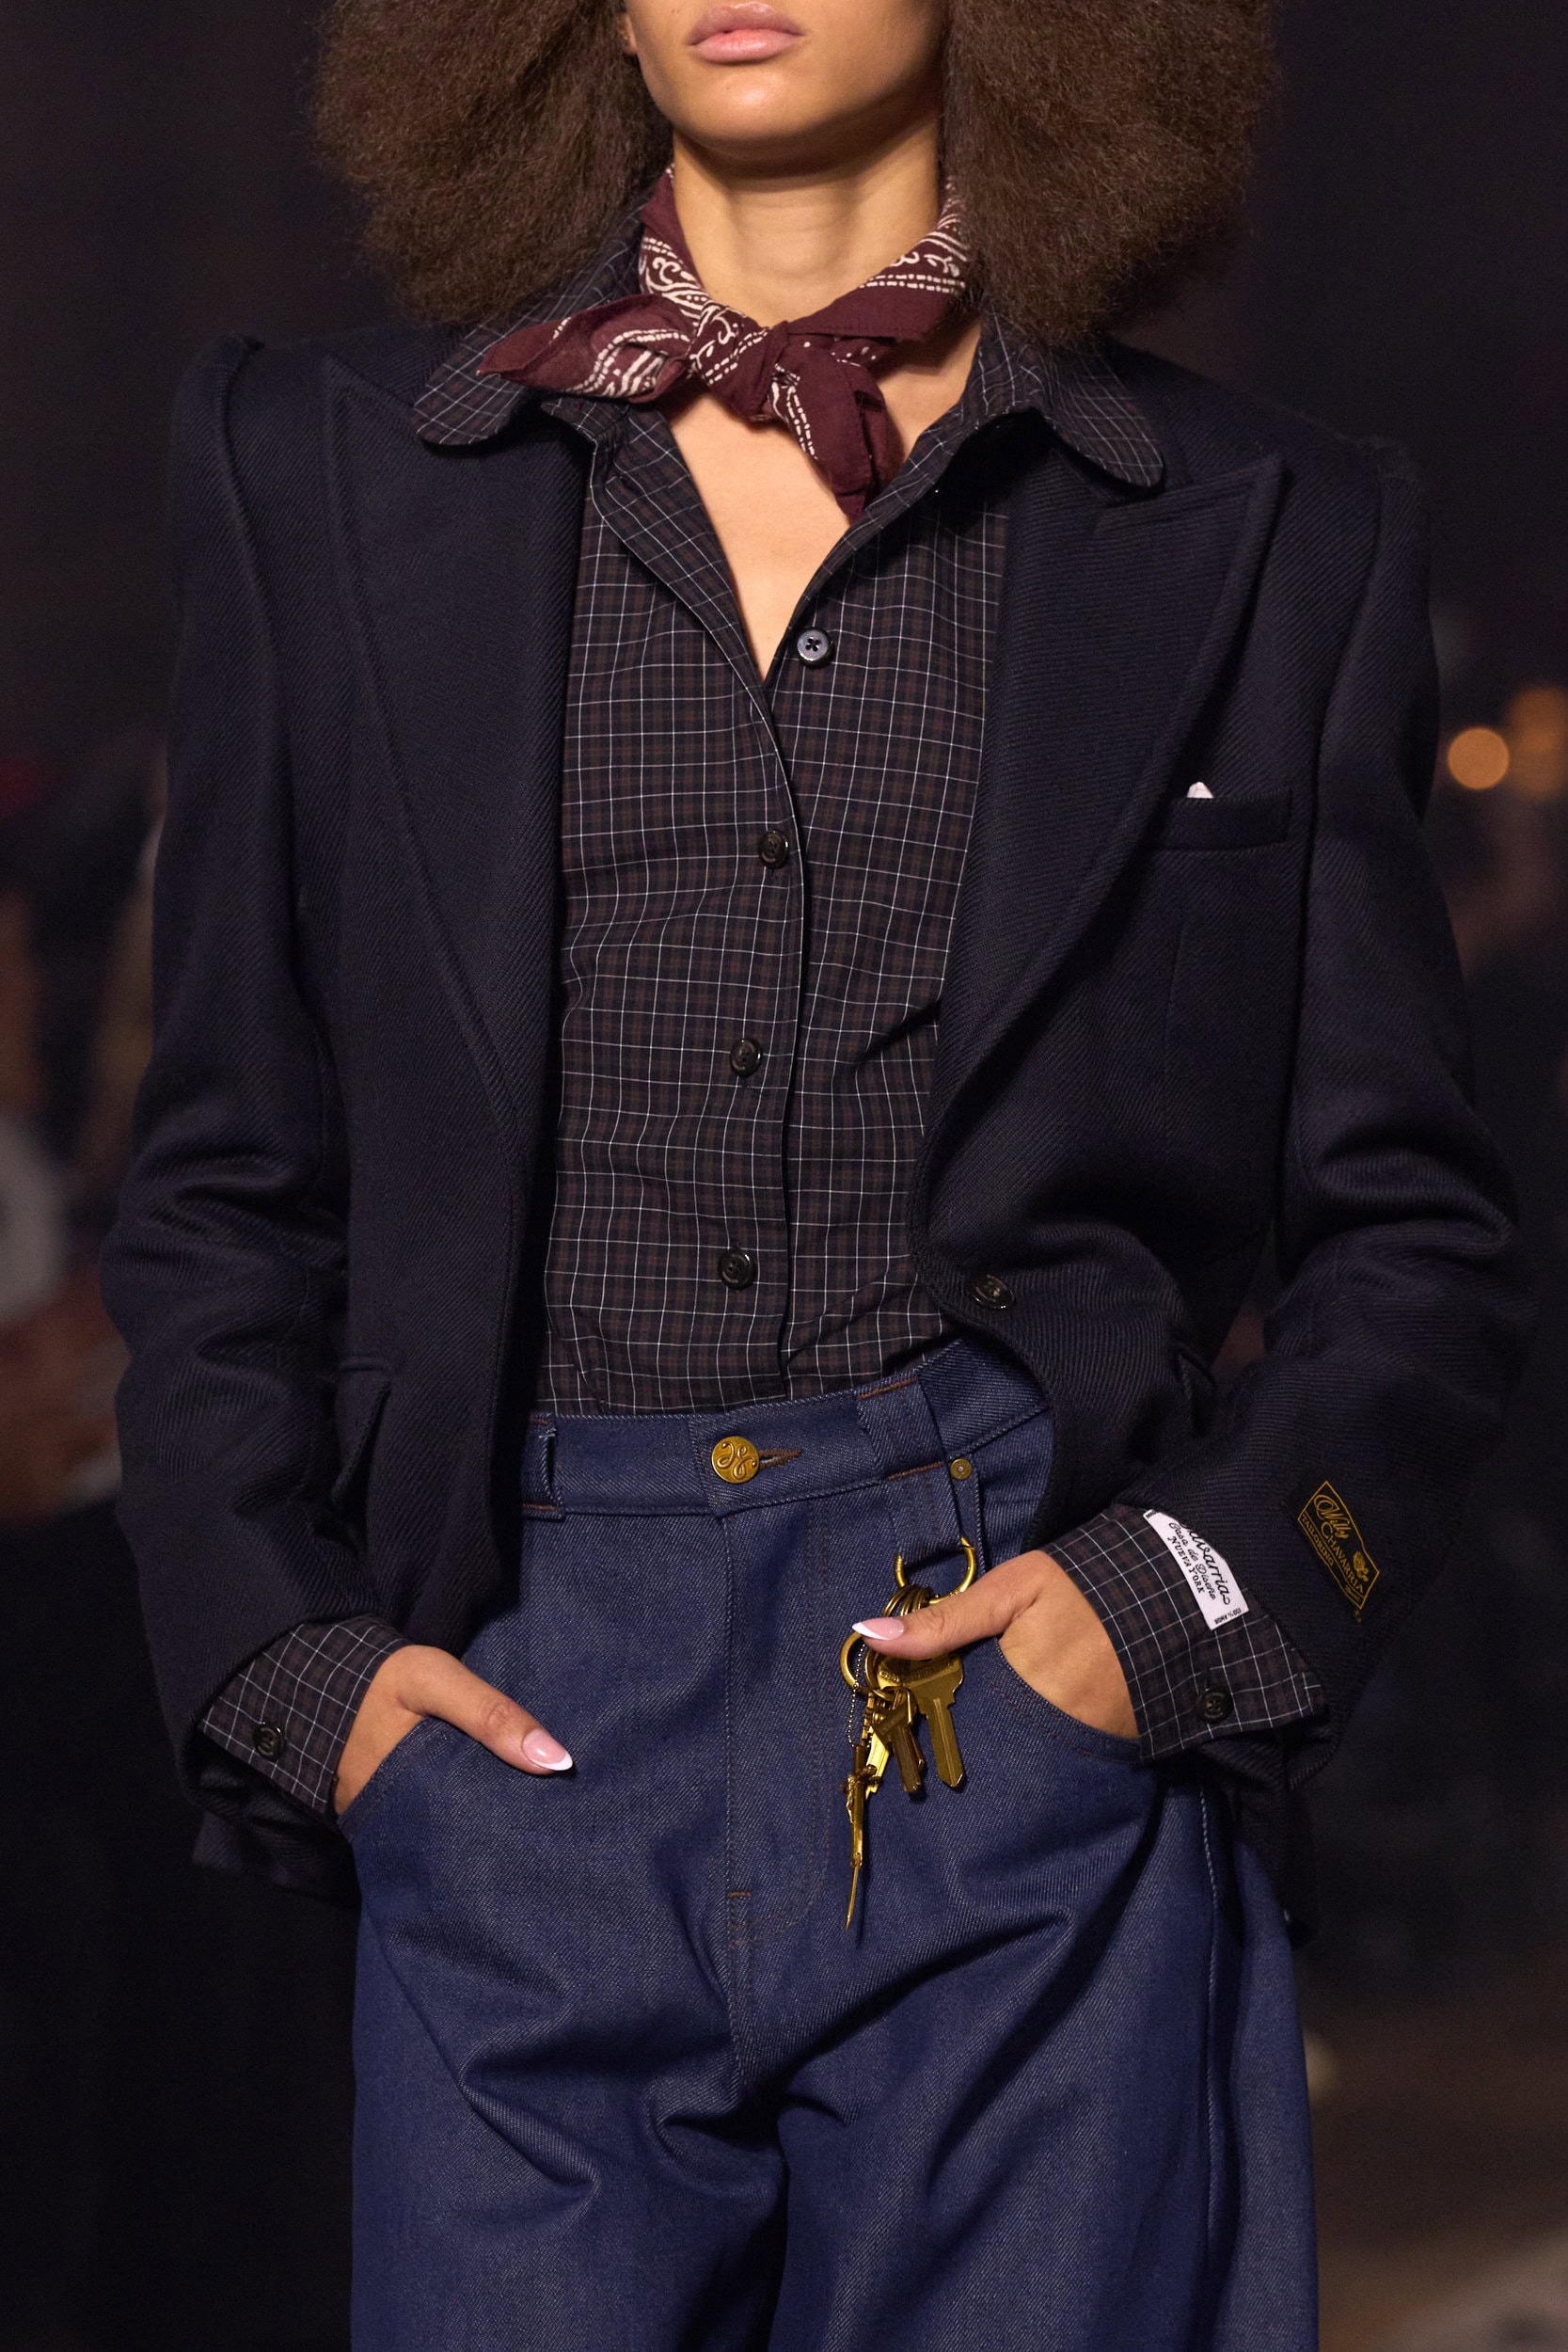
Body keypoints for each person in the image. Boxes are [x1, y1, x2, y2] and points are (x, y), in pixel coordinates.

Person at [103, 2, 1531, 2344]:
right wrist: (286, 1660)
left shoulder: (1272, 524)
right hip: (511, 1714)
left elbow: (1415, 1233)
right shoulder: (327, 464)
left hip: (1020, 1714)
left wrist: (1169, 1609)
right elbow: (225, 1171)